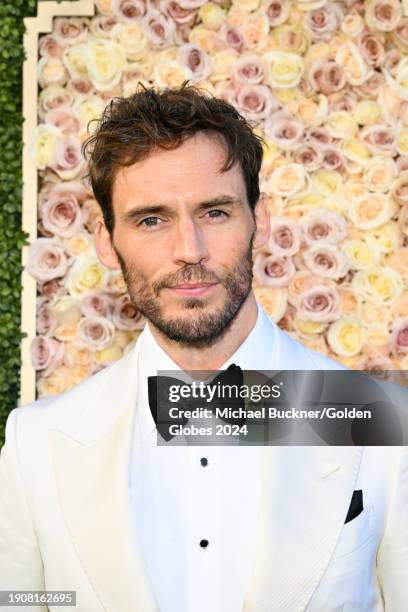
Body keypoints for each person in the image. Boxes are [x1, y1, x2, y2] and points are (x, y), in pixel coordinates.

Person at [0, 83, 407, 612]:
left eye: (215, 212)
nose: (188, 251)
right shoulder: (38, 443)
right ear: (106, 240)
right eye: (151, 219)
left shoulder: (382, 422)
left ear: (258, 219)